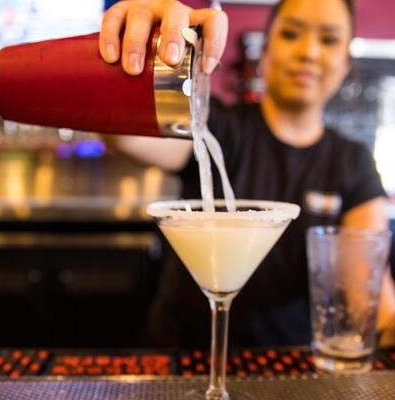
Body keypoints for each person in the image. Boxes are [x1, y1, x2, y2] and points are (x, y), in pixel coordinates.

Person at [99, 0, 395, 347]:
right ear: (265, 54)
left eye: (329, 40)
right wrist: (135, 51)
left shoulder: (352, 162)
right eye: (290, 34)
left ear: (346, 63)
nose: (309, 52)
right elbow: (122, 136)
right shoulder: (214, 127)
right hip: (180, 361)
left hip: (289, 369)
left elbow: (367, 293)